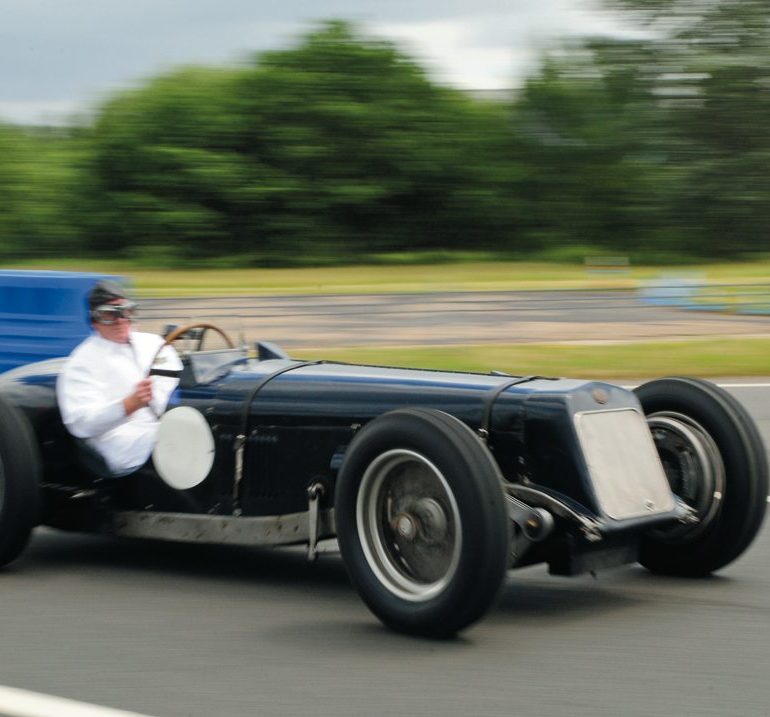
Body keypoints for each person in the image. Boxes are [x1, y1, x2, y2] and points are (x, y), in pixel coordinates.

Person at [57, 280, 182, 477]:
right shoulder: (81, 362)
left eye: (126, 312)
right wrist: (127, 405)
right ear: (94, 321)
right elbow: (80, 423)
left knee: (203, 427)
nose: (120, 320)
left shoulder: (152, 343)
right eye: (109, 315)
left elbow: (173, 374)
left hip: (157, 426)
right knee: (184, 439)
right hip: (117, 443)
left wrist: (159, 398)